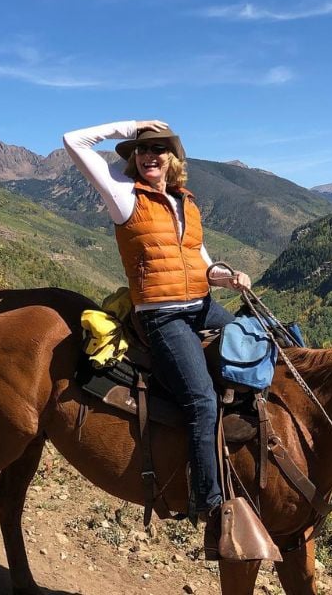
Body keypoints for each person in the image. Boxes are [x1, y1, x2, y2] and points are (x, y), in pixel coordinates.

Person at [63, 120, 251, 556]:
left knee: (264, 345)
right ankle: (209, 501)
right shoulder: (122, 194)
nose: (149, 156)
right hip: (162, 317)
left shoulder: (185, 202)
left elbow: (202, 265)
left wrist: (229, 277)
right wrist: (131, 125)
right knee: (201, 399)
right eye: (141, 150)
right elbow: (74, 140)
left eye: (159, 149)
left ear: (173, 159)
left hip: (202, 305)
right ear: (132, 158)